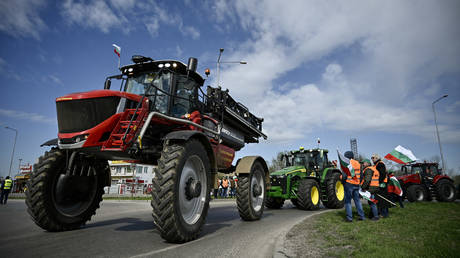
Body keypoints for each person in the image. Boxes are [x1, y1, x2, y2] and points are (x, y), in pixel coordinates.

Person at [343, 151, 365, 222]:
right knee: (357, 201)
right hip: (356, 184)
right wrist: (360, 183)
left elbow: (344, 175)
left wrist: (343, 182)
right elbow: (361, 175)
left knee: (348, 202)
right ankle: (362, 216)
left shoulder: (347, 163)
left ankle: (349, 218)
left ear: (347, 156)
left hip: (349, 184)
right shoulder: (358, 163)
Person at [372, 153, 390, 218]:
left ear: (377, 158)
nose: (372, 159)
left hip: (382, 184)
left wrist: (378, 182)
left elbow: (382, 175)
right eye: (372, 158)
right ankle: (383, 213)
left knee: (382, 199)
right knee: (381, 199)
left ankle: (384, 214)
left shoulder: (380, 164)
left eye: (373, 158)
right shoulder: (376, 164)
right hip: (381, 184)